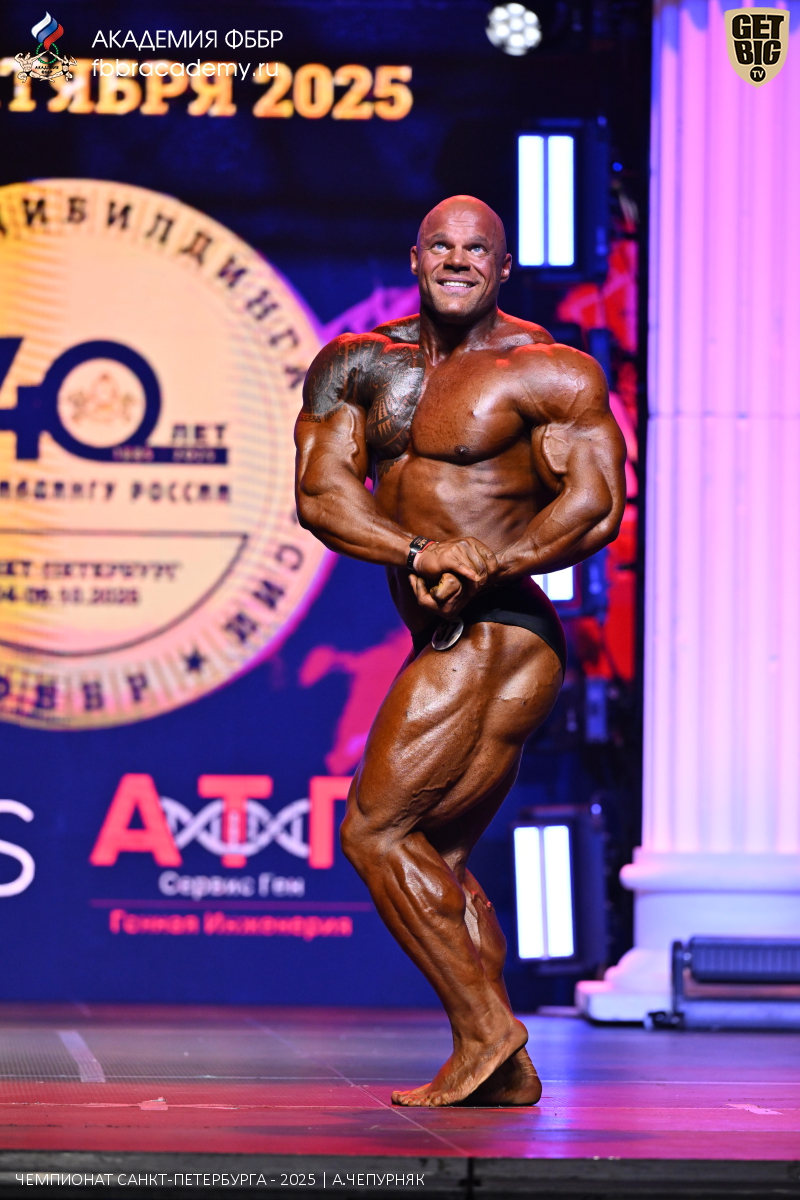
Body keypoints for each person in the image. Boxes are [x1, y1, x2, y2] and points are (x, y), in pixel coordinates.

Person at [295, 195, 626, 1107]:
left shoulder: (546, 369)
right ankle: (505, 1068)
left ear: (503, 267)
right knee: (436, 858)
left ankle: (486, 1031)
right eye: (440, 245)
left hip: (501, 628)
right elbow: (322, 496)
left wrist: (489, 563)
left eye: (477, 248)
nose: (457, 260)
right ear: (414, 258)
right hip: (444, 626)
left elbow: (595, 503)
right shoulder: (358, 365)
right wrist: (418, 553)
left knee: (375, 830)